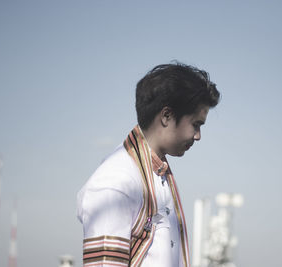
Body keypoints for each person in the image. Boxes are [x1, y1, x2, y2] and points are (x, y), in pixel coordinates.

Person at [77, 62, 220, 267]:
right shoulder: (116, 181)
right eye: (196, 124)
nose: (198, 136)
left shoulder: (158, 173)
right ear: (167, 116)